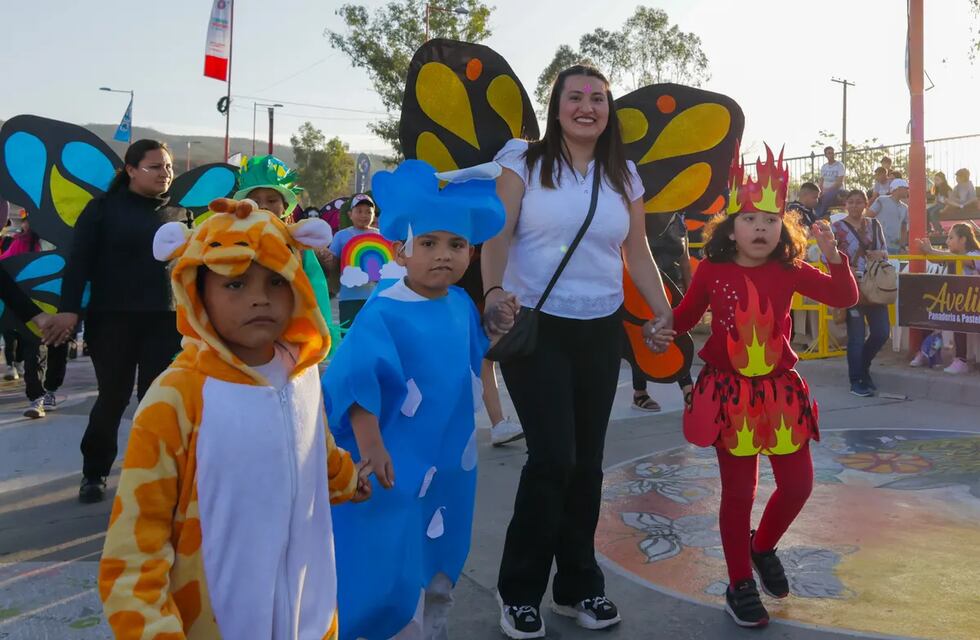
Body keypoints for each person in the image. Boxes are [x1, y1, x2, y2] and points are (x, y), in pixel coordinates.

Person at [99, 197, 369, 640]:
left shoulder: (301, 373)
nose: (260, 299)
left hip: (310, 610)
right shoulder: (177, 396)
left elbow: (314, 448)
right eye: (235, 284)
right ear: (197, 291)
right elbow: (135, 544)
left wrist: (344, 479)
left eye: (276, 282)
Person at [481, 65, 674, 636]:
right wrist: (493, 292)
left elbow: (637, 251)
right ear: (557, 106)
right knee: (553, 459)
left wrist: (663, 312)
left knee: (587, 465)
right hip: (537, 328)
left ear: (608, 109)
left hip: (599, 327)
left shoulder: (625, 175)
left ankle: (578, 588)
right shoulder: (523, 161)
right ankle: (518, 591)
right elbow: (498, 234)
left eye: (597, 98)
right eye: (575, 97)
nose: (587, 106)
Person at [657, 151, 858, 628]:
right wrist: (660, 328)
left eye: (770, 219)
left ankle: (761, 545)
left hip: (780, 394)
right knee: (738, 494)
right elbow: (684, 319)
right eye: (749, 218)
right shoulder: (711, 271)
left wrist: (834, 258)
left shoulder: (789, 269)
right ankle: (739, 583)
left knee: (798, 485)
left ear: (783, 227)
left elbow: (844, 296)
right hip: (729, 396)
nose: (761, 227)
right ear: (731, 227)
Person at [322, 160, 513, 639]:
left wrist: (495, 325)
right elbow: (356, 382)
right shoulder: (384, 310)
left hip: (450, 461)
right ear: (403, 252)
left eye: (456, 244)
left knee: (441, 552)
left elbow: (471, 357)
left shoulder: (458, 304)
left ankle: (435, 625)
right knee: (395, 556)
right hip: (397, 461)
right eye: (428, 243)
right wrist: (371, 446)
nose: (443, 255)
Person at [45, 140, 189, 504]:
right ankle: (94, 472)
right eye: (155, 166)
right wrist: (69, 308)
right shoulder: (102, 210)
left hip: (165, 321)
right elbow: (79, 264)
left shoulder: (180, 214)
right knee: (113, 395)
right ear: (130, 170)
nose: (165, 173)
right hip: (113, 320)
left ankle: (152, 474)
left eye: (168, 167)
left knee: (157, 399)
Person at [233, 155, 343, 354]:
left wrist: (318, 332)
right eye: (255, 200)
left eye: (272, 200)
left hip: (289, 335)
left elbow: (314, 289)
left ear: (285, 207)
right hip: (242, 332)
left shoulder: (298, 245)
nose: (264, 205)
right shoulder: (230, 241)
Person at [0, 212, 67, 418]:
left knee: (58, 349)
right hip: (31, 311)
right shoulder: (20, 243)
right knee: (33, 351)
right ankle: (35, 397)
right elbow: (6, 268)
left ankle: (51, 390)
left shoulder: (66, 242)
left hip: (61, 307)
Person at [631, 211, 694, 412]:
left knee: (677, 335)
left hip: (672, 290)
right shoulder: (642, 215)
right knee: (641, 337)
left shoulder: (679, 223)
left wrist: (691, 295)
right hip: (643, 290)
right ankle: (640, 392)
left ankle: (688, 389)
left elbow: (685, 262)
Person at [833, 190, 890, 397]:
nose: (855, 206)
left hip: (873, 285)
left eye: (859, 202)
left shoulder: (874, 225)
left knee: (881, 332)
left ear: (866, 204)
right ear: (845, 205)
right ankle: (856, 380)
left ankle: (863, 367)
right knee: (856, 337)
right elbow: (826, 256)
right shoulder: (837, 228)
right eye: (851, 202)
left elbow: (885, 251)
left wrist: (878, 254)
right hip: (851, 286)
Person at [913, 223, 980, 373]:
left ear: (963, 239)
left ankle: (961, 360)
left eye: (951, 238)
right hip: (953, 300)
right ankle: (925, 352)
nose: (947, 242)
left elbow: (960, 260)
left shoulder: (975, 254)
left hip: (972, 304)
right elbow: (938, 258)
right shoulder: (952, 255)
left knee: (958, 314)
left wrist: (930, 251)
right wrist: (927, 250)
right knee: (925, 310)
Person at [326, 193, 379, 326]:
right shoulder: (341, 236)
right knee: (349, 335)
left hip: (374, 297)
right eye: (359, 211)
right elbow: (332, 262)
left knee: (372, 334)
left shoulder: (380, 235)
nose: (364, 215)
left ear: (374, 215)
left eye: (368, 212)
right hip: (348, 297)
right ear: (350, 214)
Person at [868, 178, 909, 254]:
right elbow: (867, 218)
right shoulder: (881, 200)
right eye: (905, 188)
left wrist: (902, 246)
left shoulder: (905, 208)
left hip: (895, 247)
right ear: (897, 189)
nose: (907, 191)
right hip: (879, 246)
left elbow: (903, 228)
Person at [815, 146, 845, 219]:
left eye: (832, 153)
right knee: (815, 197)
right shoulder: (824, 167)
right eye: (829, 153)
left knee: (826, 196)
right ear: (825, 155)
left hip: (837, 190)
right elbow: (821, 181)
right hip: (825, 190)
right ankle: (814, 215)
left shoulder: (840, 165)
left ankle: (819, 216)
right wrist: (819, 191)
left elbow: (839, 183)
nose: (831, 154)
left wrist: (827, 191)